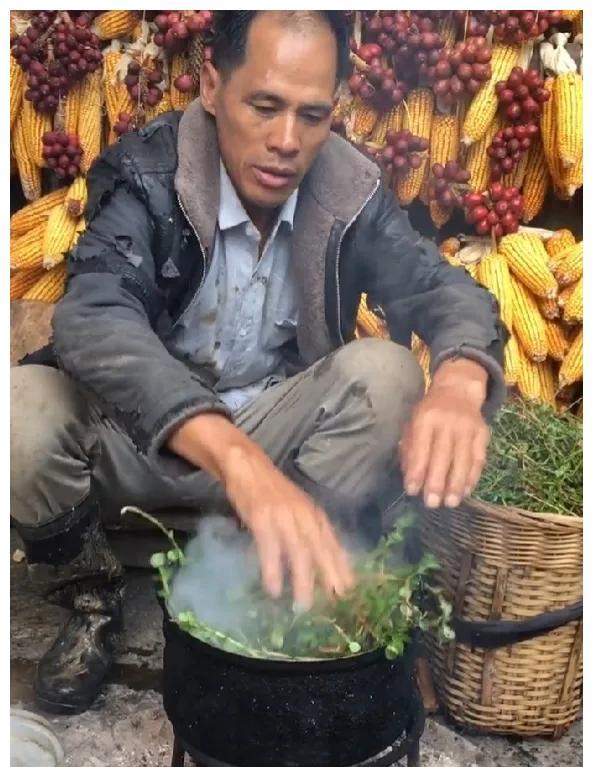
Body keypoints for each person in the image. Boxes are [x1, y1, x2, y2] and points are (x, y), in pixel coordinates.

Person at [10, 10, 507, 716]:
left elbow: (441, 290)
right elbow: (94, 319)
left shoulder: (348, 189)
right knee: (18, 408)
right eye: (263, 105)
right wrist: (236, 461)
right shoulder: (148, 171)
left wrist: (460, 379)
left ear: (334, 108)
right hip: (138, 444)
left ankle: (266, 568)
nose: (285, 141)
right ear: (212, 83)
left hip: (277, 462)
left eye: (311, 115)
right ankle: (92, 596)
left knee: (390, 376)